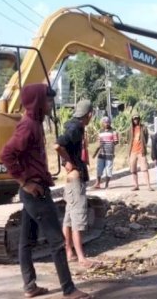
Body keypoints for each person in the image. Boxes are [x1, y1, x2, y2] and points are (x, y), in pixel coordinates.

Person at [0, 84, 91, 299]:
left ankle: (30, 286)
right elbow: (6, 154)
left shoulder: (35, 123)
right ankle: (69, 290)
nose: (51, 105)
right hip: (35, 191)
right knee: (57, 241)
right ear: (37, 103)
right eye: (48, 101)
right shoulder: (28, 126)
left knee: (26, 241)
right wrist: (24, 182)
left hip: (35, 189)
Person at [55, 100, 100, 270]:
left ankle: (69, 253)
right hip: (75, 181)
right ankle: (81, 257)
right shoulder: (75, 128)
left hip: (71, 181)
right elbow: (58, 145)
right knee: (78, 219)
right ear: (89, 115)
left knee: (68, 219)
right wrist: (68, 162)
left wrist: (67, 161)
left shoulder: (72, 126)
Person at [92, 116, 118, 189]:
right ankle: (97, 183)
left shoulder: (113, 131)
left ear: (110, 123)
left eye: (108, 122)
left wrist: (110, 143)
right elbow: (98, 143)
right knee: (99, 168)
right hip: (101, 153)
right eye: (105, 122)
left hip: (109, 153)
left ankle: (107, 185)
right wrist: (95, 153)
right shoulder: (100, 131)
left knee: (108, 169)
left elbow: (116, 142)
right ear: (103, 123)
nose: (107, 124)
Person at [128, 114, 153, 191]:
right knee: (133, 169)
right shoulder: (130, 129)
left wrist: (143, 147)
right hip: (133, 151)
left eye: (137, 119)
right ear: (132, 120)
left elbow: (146, 137)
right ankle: (136, 185)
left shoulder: (143, 128)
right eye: (134, 119)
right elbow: (128, 139)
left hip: (141, 151)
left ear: (139, 119)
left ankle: (148, 185)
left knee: (145, 168)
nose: (136, 120)